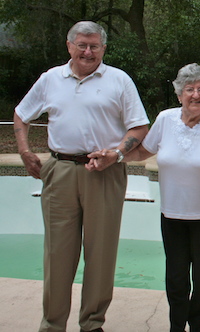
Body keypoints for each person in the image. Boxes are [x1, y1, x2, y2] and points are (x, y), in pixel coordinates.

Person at [13, 21, 149, 332]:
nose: (88, 51)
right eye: (82, 45)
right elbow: (22, 113)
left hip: (104, 171)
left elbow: (139, 126)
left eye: (94, 46)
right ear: (69, 46)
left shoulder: (119, 80)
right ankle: (52, 324)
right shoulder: (51, 79)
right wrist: (24, 151)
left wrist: (115, 154)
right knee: (57, 252)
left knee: (101, 252)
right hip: (59, 170)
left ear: (103, 48)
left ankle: (92, 323)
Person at [91, 63, 200, 332]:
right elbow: (143, 151)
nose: (195, 95)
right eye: (189, 89)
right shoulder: (165, 119)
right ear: (179, 95)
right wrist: (114, 156)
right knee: (176, 277)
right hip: (172, 215)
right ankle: (177, 325)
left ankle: (198, 324)